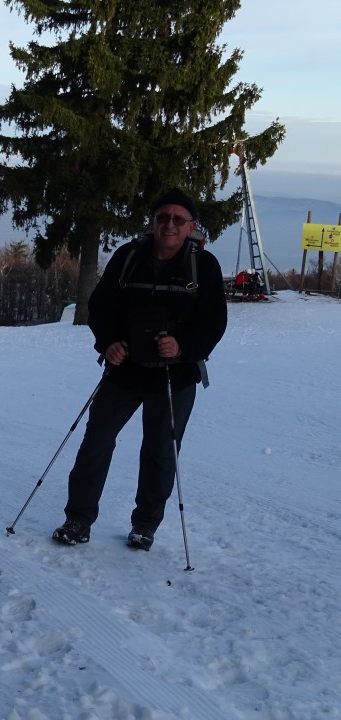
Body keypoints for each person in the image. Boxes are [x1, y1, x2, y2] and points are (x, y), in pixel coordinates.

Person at [52, 188, 228, 551]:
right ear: (152, 221)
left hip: (174, 376)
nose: (170, 224)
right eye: (163, 216)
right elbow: (100, 307)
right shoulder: (129, 256)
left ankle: (145, 524)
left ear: (191, 226)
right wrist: (109, 342)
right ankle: (78, 519)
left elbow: (213, 324)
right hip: (124, 370)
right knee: (96, 444)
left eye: (179, 219)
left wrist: (181, 347)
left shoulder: (203, 267)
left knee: (160, 452)